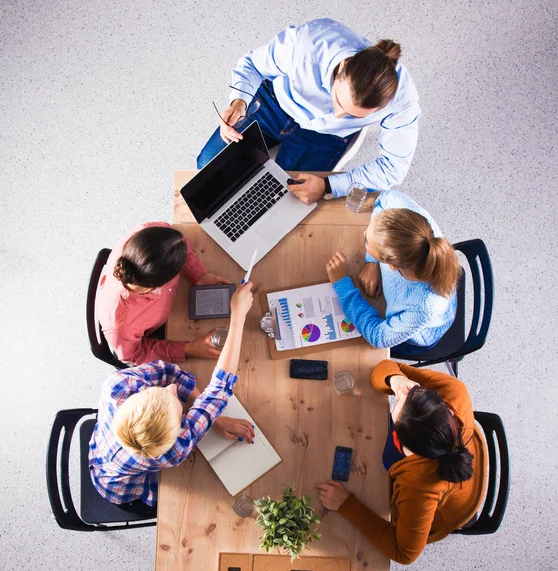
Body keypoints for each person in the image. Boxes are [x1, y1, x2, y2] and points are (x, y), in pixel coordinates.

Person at [197, 18, 420, 203]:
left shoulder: (402, 99)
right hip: (276, 103)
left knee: (280, 200)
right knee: (207, 167)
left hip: (324, 138)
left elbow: (393, 167)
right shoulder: (305, 45)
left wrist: (328, 185)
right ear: (343, 67)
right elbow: (252, 64)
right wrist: (239, 102)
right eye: (339, 102)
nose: (337, 117)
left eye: (353, 116)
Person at [89, 283, 255, 507]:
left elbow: (168, 372)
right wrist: (238, 318)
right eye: (178, 405)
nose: (172, 388)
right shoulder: (175, 450)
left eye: (160, 392)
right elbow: (219, 389)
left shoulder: (117, 385)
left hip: (103, 452)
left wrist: (213, 418)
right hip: (120, 486)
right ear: (178, 430)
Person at [315, 360, 486, 564]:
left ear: (405, 449)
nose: (400, 397)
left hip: (448, 509)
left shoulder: (420, 487)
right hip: (459, 457)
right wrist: (397, 380)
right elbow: (386, 365)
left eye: (396, 404)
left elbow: (405, 554)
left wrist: (346, 505)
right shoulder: (454, 390)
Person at [326, 190, 460, 353]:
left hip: (417, 333)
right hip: (399, 306)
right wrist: (371, 261)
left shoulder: (424, 307)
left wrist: (342, 285)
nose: (364, 234)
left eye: (366, 241)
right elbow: (384, 199)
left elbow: (378, 337)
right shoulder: (411, 218)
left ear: (392, 265)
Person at [97, 222, 230, 365]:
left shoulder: (147, 232)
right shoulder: (121, 326)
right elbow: (135, 355)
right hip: (149, 336)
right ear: (161, 285)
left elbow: (179, 241)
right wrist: (189, 348)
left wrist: (198, 274)